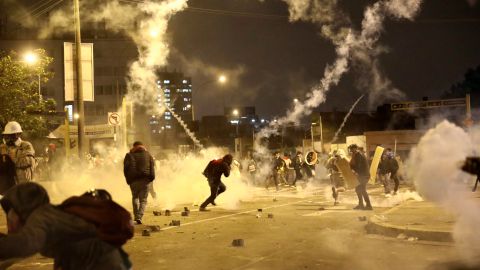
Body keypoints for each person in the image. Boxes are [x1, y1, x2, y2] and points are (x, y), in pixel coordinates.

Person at [0, 182, 131, 269]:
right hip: (98, 261)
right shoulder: (49, 216)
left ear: (21, 208)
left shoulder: (41, 217)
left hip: (100, 264)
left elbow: (25, 245)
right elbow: (18, 253)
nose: (9, 221)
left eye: (10, 214)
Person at [123, 141, 155, 225]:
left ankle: (136, 216)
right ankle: (139, 217)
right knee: (143, 200)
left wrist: (128, 180)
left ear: (134, 146)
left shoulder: (129, 155)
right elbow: (152, 167)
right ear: (142, 146)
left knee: (135, 198)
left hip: (133, 181)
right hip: (145, 180)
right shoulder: (148, 155)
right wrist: (151, 178)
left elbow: (125, 169)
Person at [348, 144, 373, 210]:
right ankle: (361, 204)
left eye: (352, 149)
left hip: (364, 175)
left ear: (355, 148)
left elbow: (358, 166)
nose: (351, 151)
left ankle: (369, 205)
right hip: (360, 175)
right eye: (350, 149)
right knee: (358, 190)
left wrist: (353, 170)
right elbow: (353, 165)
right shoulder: (356, 155)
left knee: (362, 190)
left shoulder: (359, 155)